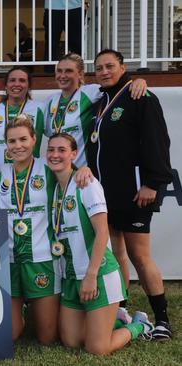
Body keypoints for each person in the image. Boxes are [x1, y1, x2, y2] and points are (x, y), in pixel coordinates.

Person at [88, 49, 174, 340]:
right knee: (117, 254)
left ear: (122, 67)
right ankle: (121, 310)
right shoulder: (102, 100)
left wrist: (152, 183)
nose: (104, 71)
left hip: (136, 193)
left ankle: (162, 319)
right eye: (99, 67)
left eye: (110, 66)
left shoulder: (141, 97)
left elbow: (158, 141)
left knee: (140, 255)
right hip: (107, 193)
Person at [47, 133, 153, 355]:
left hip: (98, 275)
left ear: (74, 154)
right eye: (51, 150)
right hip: (70, 277)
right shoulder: (56, 188)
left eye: (62, 150)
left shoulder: (87, 184)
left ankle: (139, 325)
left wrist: (91, 275)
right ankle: (114, 319)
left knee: (97, 348)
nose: (55, 155)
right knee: (71, 341)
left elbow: (103, 231)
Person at [0, 114, 58, 344]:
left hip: (41, 258)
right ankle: (22, 310)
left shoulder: (49, 167)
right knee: (10, 335)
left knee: (47, 338)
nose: (18, 146)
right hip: (10, 260)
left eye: (23, 139)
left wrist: (84, 171)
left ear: (34, 139)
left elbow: (72, 178)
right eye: (12, 141)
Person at [43, 53, 147, 168]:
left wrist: (139, 81)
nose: (62, 75)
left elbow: (117, 89)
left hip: (82, 172)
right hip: (58, 171)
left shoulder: (90, 92)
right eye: (59, 71)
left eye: (68, 71)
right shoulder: (50, 101)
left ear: (80, 74)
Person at [0, 66, 44, 177]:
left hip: (30, 175)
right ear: (6, 85)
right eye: (12, 80)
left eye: (22, 80)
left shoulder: (40, 109)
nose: (16, 84)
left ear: (29, 86)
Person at [43, 0, 83, 72]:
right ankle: (49, 73)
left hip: (75, 6)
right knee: (51, 44)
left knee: (77, 43)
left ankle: (78, 70)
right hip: (53, 7)